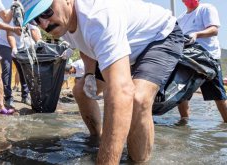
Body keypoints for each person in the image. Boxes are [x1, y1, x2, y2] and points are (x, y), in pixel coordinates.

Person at [21, 0, 184, 163]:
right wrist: (90, 74)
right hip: (126, 46)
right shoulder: (61, 24)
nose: (44, 23)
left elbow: (122, 92)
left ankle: (137, 162)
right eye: (36, 18)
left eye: (46, 11)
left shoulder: (97, 16)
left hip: (160, 37)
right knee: (81, 91)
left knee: (137, 100)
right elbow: (85, 45)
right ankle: (96, 141)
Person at [177, 0, 227, 123]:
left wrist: (196, 34)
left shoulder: (206, 8)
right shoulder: (181, 18)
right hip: (188, 59)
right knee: (181, 94)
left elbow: (214, 30)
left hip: (208, 59)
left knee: (218, 95)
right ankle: (184, 123)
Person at [0, 2, 41, 107]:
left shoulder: (28, 14)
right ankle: (8, 97)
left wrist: (40, 43)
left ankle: (25, 96)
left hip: (21, 45)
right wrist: (14, 48)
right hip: (4, 43)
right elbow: (9, 34)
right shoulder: (11, 13)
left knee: (23, 70)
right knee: (7, 69)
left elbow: (34, 31)